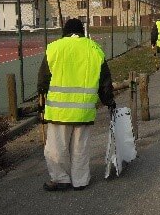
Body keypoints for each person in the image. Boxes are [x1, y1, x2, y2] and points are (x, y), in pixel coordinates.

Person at [37, 18, 116, 191]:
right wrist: (109, 102)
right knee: (80, 147)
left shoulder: (54, 48)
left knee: (56, 147)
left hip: (59, 111)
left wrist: (41, 101)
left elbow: (43, 80)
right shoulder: (95, 49)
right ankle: (80, 180)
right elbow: (105, 82)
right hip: (84, 110)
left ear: (64, 31)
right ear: (82, 32)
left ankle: (60, 178)